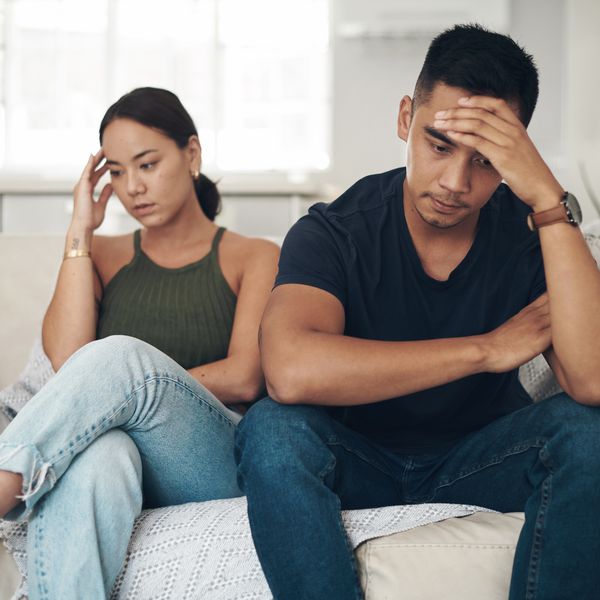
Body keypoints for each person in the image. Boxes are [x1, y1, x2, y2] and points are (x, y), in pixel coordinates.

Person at [235, 24, 600, 600]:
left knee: (589, 433)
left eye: (485, 161)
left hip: (480, 459)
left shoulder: (534, 236)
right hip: (358, 460)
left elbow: (591, 379)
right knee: (273, 431)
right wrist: (484, 351)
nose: (456, 183)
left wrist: (549, 202)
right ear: (406, 118)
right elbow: (290, 370)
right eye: (438, 144)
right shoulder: (335, 230)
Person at [0, 87, 279, 599]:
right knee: (102, 451)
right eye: (118, 172)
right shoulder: (101, 255)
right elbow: (68, 366)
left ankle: (3, 479)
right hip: (119, 456)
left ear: (191, 154)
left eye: (147, 164)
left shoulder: (254, 256)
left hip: (208, 459)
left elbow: (246, 376)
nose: (133, 188)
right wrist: (79, 229)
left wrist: (135, 388)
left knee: (118, 360)